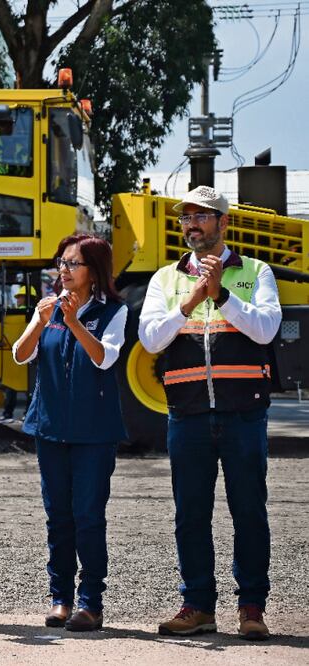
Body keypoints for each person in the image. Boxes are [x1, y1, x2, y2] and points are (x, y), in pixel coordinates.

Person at [139, 186, 281, 641]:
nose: (193, 224)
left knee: (249, 512)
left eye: (203, 217)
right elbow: (150, 340)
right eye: (187, 218)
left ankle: (252, 608)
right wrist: (193, 297)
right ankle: (198, 606)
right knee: (191, 514)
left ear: (225, 223)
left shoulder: (257, 271)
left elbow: (264, 330)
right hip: (188, 414)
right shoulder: (166, 278)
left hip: (243, 414)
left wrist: (221, 296)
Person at [12, 234, 127, 632]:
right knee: (58, 517)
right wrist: (41, 322)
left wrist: (75, 322)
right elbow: (20, 354)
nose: (63, 271)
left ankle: (90, 602)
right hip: (51, 427)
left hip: (94, 432)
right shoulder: (48, 308)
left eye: (72, 264)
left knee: (88, 516)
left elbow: (104, 358)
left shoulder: (114, 311)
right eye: (61, 263)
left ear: (94, 272)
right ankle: (60, 598)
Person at [0, 285, 37, 423]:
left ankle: (8, 413)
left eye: (19, 297)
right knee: (29, 388)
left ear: (26, 298)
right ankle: (27, 414)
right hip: (28, 356)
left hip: (13, 356)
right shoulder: (36, 314)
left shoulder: (13, 315)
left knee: (11, 387)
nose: (18, 300)